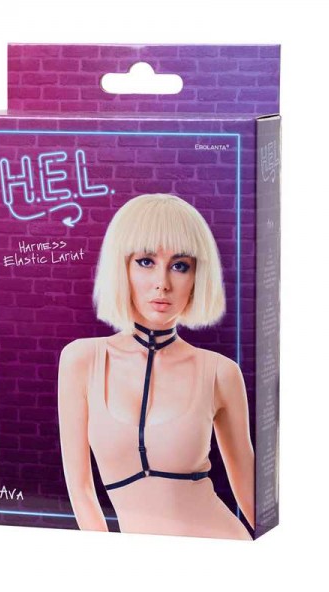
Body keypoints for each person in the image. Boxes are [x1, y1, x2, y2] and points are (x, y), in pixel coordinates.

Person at [57, 193, 254, 540]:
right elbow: (81, 489)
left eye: (180, 266)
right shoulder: (82, 360)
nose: (162, 282)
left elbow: (252, 496)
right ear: (122, 267)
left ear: (197, 276)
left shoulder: (220, 373)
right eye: (146, 261)